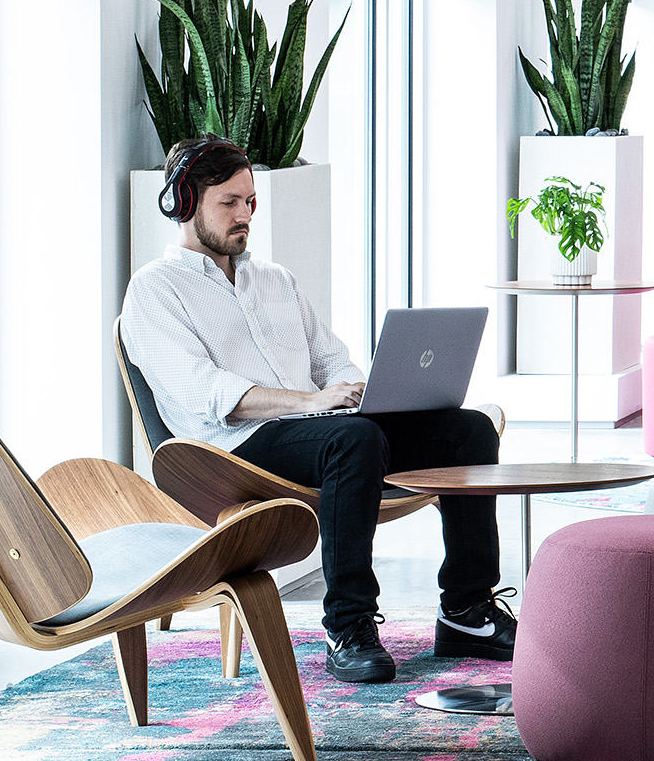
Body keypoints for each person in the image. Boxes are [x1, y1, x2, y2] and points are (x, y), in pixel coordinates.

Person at [119, 136, 512, 686]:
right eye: (228, 202)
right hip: (229, 448)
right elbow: (199, 392)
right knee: (352, 440)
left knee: (466, 431)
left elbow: (332, 360)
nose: (244, 215)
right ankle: (347, 627)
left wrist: (368, 395)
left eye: (250, 201)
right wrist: (309, 402)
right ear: (185, 203)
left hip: (317, 431)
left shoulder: (275, 280)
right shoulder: (154, 290)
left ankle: (467, 611)